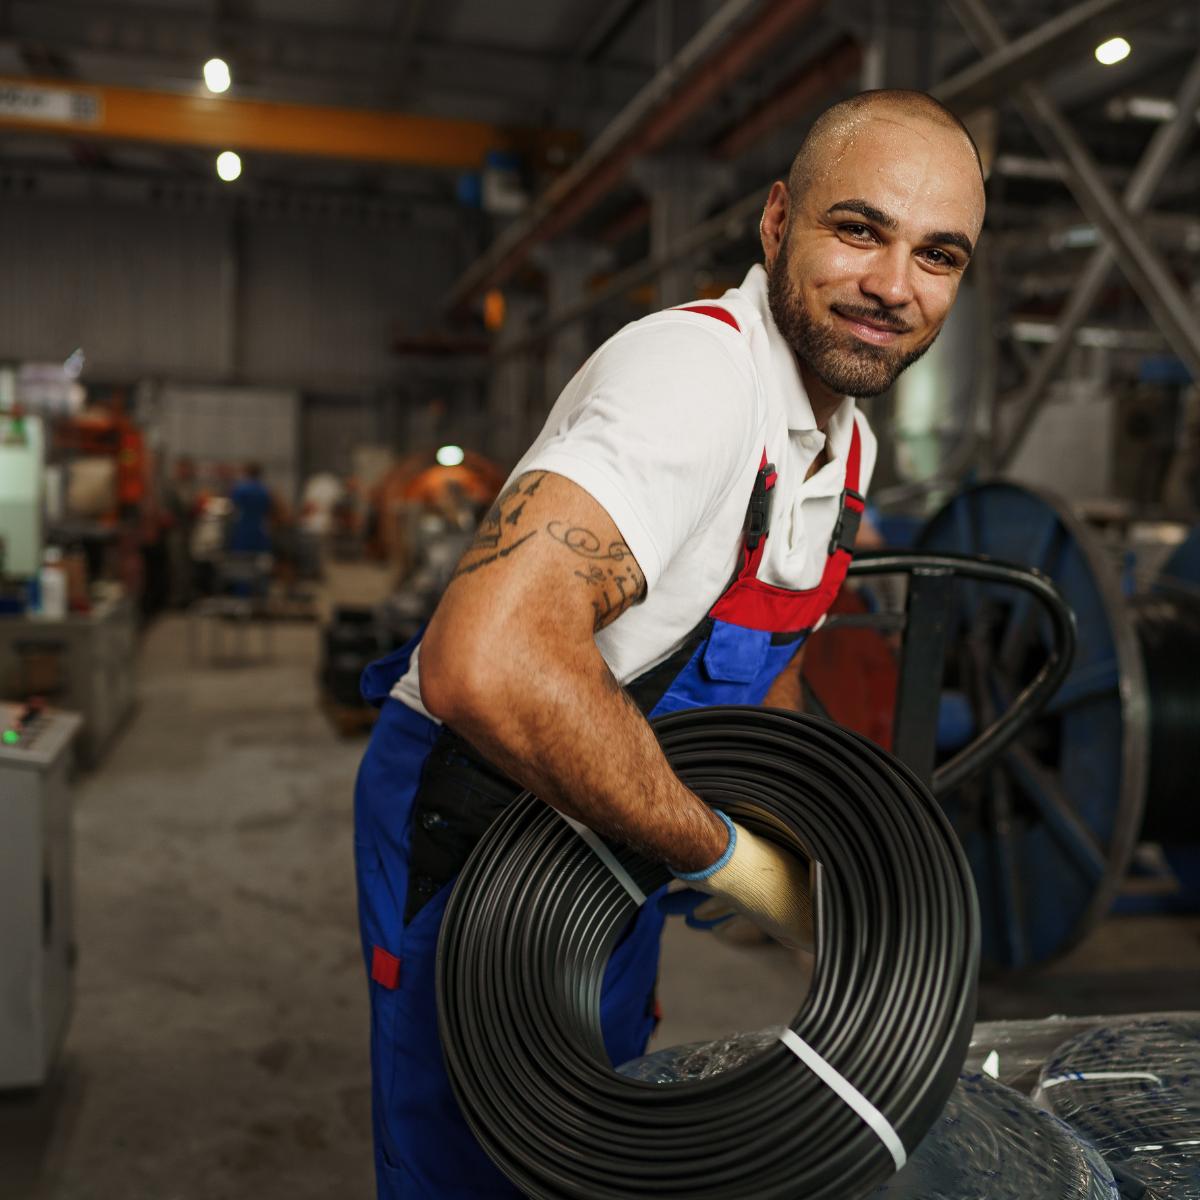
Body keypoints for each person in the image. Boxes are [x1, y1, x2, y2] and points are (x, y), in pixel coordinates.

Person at [354, 88, 986, 1197]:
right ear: (778, 219)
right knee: (478, 1146)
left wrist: (803, 846)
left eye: (938, 255)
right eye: (859, 230)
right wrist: (725, 857)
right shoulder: (695, 383)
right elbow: (484, 664)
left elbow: (765, 667)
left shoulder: (846, 447)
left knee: (594, 1125)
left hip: (623, 827)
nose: (895, 287)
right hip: (480, 822)